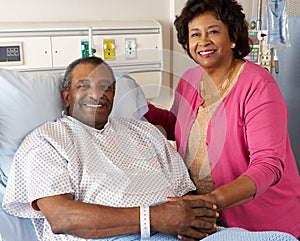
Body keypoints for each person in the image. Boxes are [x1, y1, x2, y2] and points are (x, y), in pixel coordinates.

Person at [2, 56, 219, 241]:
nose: (97, 94)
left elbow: (187, 194)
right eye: (83, 86)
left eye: (105, 86)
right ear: (67, 96)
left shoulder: (146, 132)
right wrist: (154, 218)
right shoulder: (46, 141)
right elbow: (61, 218)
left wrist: (194, 222)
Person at [144, 0, 300, 239]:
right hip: (211, 221)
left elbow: (268, 166)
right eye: (195, 34)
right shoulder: (189, 79)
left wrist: (208, 203)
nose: (203, 41)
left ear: (232, 37)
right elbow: (174, 125)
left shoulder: (258, 85)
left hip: (261, 224)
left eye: (213, 31)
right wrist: (139, 106)